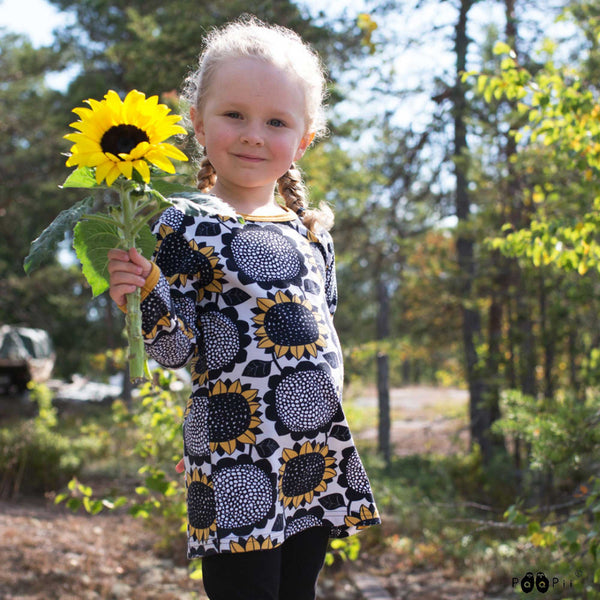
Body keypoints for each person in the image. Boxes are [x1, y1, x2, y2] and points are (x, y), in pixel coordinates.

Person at [107, 16, 380, 600]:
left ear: (303, 139)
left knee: (299, 591)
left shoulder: (311, 232)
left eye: (277, 122)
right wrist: (144, 289)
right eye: (234, 115)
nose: (255, 135)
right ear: (197, 124)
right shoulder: (184, 222)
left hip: (313, 452)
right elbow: (175, 348)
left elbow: (323, 343)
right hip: (238, 457)